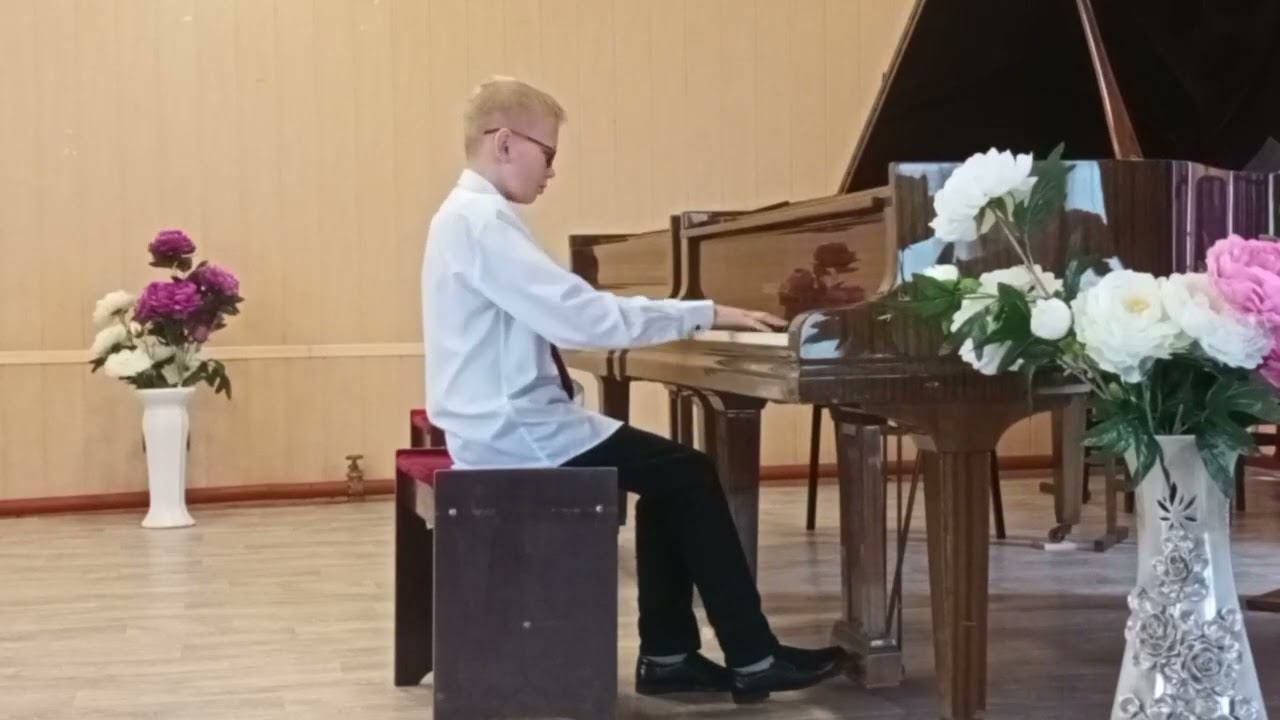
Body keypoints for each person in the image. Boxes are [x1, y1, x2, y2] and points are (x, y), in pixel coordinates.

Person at [422, 76, 848, 704]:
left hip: (504, 420)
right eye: (548, 153)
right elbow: (581, 319)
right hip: (516, 431)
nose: (552, 171)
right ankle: (753, 657)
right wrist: (704, 313)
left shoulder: (469, 217)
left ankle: (670, 655)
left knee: (674, 480)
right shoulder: (482, 222)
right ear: (505, 143)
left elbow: (565, 315)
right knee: (689, 474)